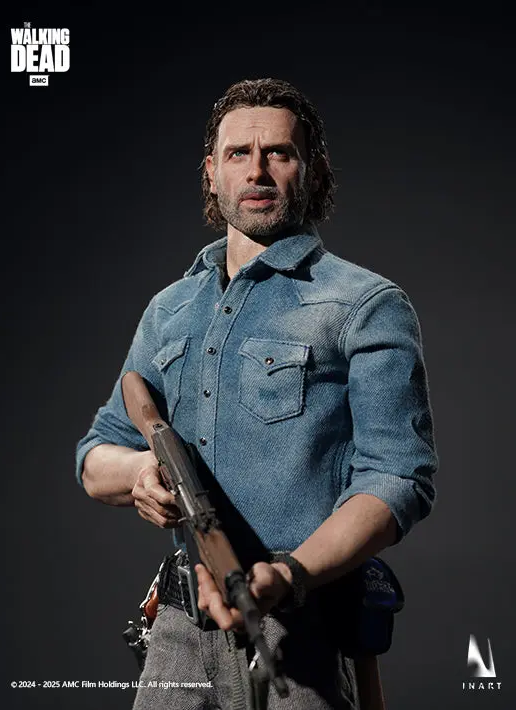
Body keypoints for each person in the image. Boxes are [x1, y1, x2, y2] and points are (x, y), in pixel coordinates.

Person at [76, 77, 437, 710]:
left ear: (313, 170)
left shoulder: (364, 304)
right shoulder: (170, 309)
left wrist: (291, 574)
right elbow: (96, 455)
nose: (257, 170)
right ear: (212, 172)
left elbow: (398, 480)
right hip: (177, 632)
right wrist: (140, 472)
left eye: (279, 153)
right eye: (239, 153)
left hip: (303, 627)